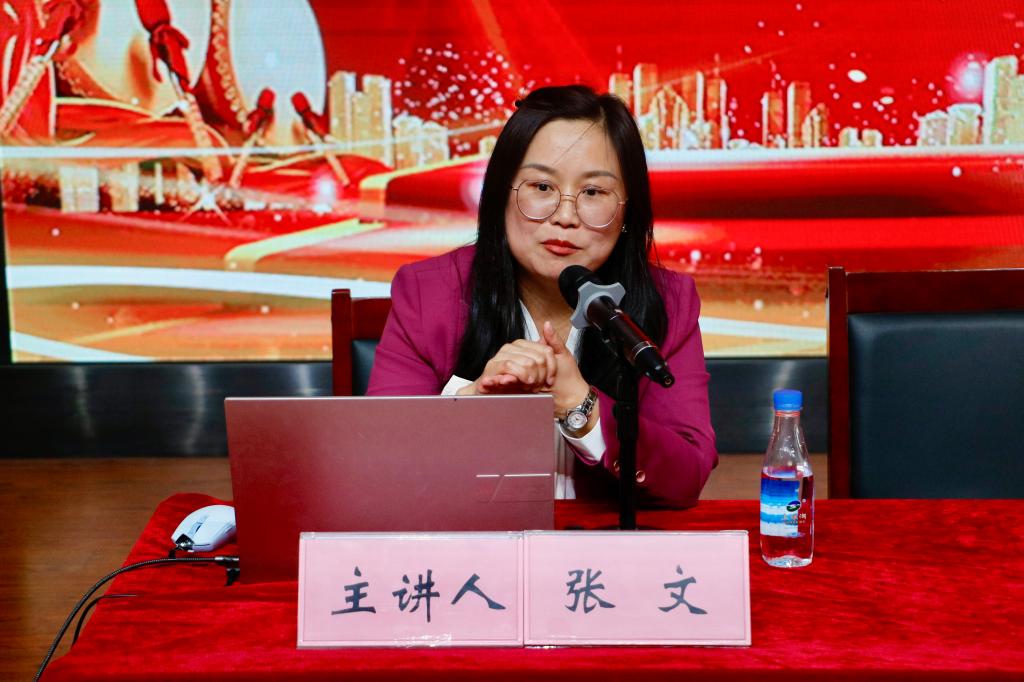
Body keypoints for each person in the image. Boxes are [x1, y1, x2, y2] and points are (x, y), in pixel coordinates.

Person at [367, 85, 716, 507]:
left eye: (593, 193)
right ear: (501, 194)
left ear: (627, 211)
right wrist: (473, 406)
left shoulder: (670, 301)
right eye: (542, 187)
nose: (565, 217)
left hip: (604, 545)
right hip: (471, 540)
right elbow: (380, 464)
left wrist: (580, 405)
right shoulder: (428, 293)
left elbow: (687, 476)